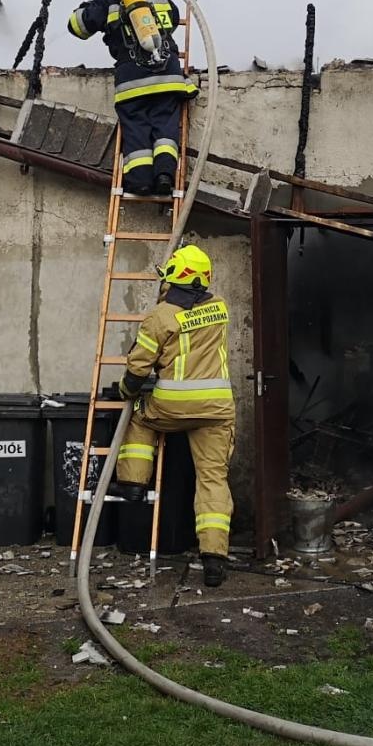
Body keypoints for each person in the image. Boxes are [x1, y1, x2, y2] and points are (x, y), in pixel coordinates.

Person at [112, 244, 236, 586]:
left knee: (139, 416)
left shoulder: (160, 316)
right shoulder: (220, 307)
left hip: (172, 407)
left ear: (173, 276)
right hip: (216, 410)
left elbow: (139, 367)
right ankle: (214, 558)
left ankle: (133, 483)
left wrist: (127, 391)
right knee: (212, 479)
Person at [66, 0, 197, 196]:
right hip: (167, 75)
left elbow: (77, 27)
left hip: (132, 80)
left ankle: (140, 181)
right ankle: (165, 175)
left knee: (136, 128)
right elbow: (174, 18)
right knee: (165, 127)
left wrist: (87, 7)